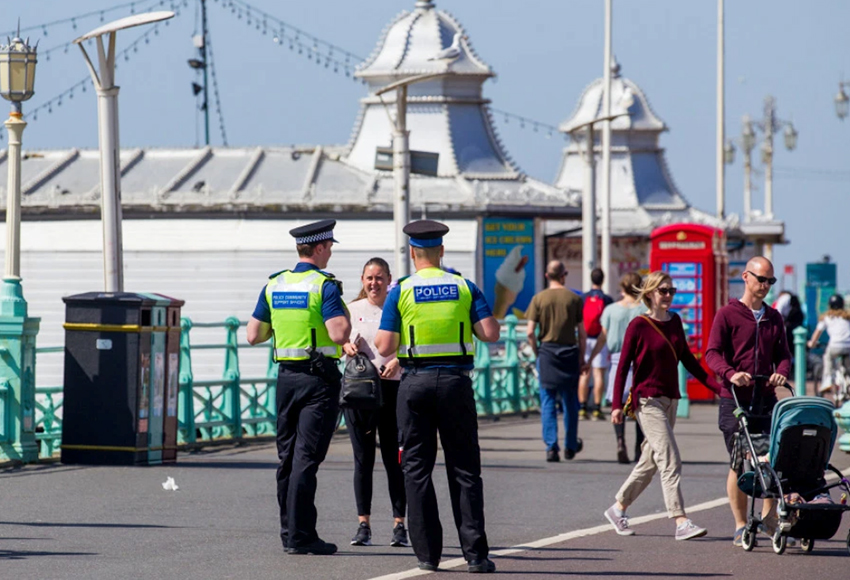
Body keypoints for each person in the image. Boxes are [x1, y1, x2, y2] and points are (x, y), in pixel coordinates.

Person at [375, 220, 501, 574]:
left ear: (413, 253)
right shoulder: (464, 285)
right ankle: (476, 556)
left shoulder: (401, 290)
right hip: (455, 384)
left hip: (414, 384)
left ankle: (428, 555)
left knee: (416, 469)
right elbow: (490, 333)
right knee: (464, 469)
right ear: (441, 251)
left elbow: (384, 346)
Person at [246, 219, 351, 556]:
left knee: (287, 459)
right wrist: (344, 317)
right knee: (306, 459)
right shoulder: (325, 286)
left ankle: (289, 532)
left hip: (286, 380)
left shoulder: (274, 285)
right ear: (319, 248)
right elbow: (338, 334)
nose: (331, 251)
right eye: (330, 246)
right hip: (318, 381)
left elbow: (253, 335)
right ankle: (302, 536)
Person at [604, 271, 721, 541]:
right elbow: (623, 367)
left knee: (650, 461)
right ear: (649, 294)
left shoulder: (676, 321)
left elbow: (690, 363)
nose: (668, 295)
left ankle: (618, 508)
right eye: (663, 290)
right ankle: (680, 520)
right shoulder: (638, 325)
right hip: (647, 400)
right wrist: (616, 405)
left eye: (672, 290)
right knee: (670, 458)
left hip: (671, 399)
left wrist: (721, 390)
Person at [705, 256, 792, 548]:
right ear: (745, 277)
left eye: (770, 281)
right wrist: (731, 374)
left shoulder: (774, 317)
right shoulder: (727, 314)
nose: (765, 286)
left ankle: (768, 521)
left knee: (769, 460)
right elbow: (712, 353)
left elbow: (784, 355)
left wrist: (780, 374)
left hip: (765, 399)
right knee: (740, 461)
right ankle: (741, 525)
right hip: (735, 400)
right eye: (761, 279)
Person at [342, 257, 409, 548]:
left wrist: (397, 361)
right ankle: (363, 525)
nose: (374, 283)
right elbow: (336, 339)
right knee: (362, 460)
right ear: (362, 280)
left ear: (388, 279)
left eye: (380, 278)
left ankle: (399, 526)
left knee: (395, 461)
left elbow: (410, 344)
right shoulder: (352, 310)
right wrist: (345, 345)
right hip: (360, 392)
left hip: (393, 389)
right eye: (369, 278)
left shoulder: (397, 309)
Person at [525, 261, 588, 463]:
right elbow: (583, 334)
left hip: (548, 353)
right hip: (569, 352)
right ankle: (570, 445)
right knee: (571, 402)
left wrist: (537, 352)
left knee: (548, 401)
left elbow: (529, 333)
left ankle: (551, 447)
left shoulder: (538, 299)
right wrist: (582, 357)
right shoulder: (574, 298)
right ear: (564, 275)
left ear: (546, 275)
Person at [588, 271, 645, 464]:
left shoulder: (611, 310)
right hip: (640, 362)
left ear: (622, 288)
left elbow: (602, 337)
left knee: (618, 406)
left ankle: (620, 441)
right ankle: (639, 445)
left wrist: (589, 359)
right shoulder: (645, 309)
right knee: (639, 407)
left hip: (617, 361)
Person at [578, 268, 614, 421]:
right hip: (600, 339)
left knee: (584, 373)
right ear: (603, 280)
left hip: (585, 339)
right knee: (598, 374)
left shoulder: (583, 298)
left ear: (591, 279)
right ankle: (597, 409)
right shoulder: (607, 299)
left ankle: (582, 408)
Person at [807, 294, 850, 396]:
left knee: (827, 357)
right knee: (847, 366)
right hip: (848, 346)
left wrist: (812, 343)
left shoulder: (827, 317)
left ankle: (827, 381)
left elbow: (817, 333)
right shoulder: (847, 316)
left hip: (835, 345)